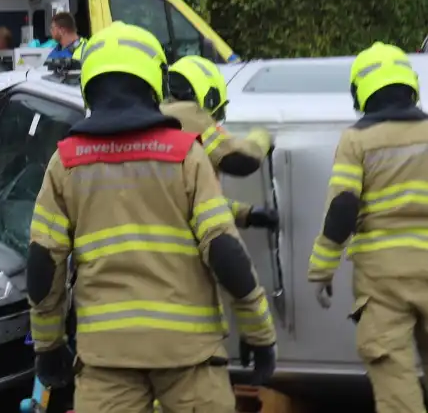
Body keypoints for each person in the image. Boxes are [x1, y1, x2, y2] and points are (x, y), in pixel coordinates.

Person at [28, 22, 276, 413]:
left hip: (106, 361)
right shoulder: (185, 155)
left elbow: (44, 267)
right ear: (154, 81)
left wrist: (48, 347)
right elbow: (226, 253)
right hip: (190, 358)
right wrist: (259, 332)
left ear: (89, 84)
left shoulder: (66, 163)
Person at [307, 42, 427, 413]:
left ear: (360, 93)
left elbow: (343, 207)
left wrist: (322, 268)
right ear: (411, 85)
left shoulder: (356, 141)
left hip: (383, 280)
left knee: (395, 381)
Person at [161, 55, 279, 230]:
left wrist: (246, 214)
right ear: (207, 98)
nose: (214, 124)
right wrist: (262, 137)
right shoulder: (186, 116)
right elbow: (242, 160)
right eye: (215, 115)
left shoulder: (152, 118)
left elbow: (188, 200)